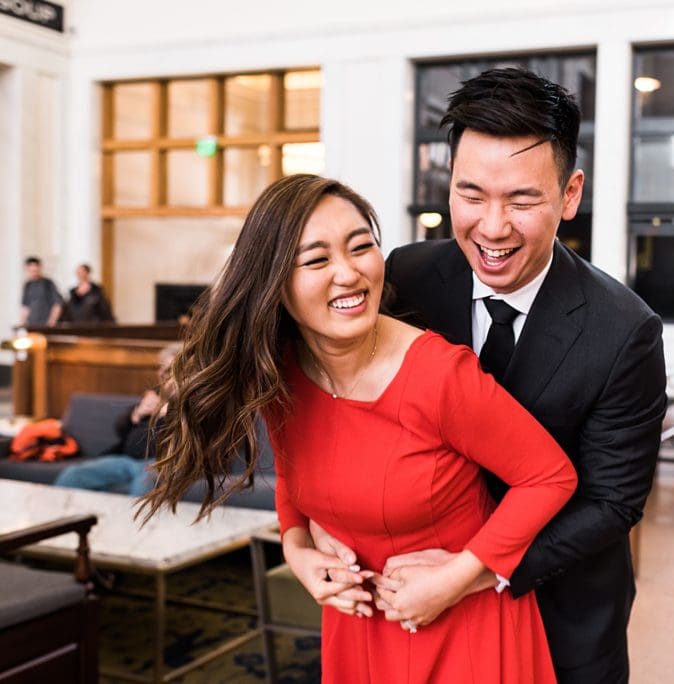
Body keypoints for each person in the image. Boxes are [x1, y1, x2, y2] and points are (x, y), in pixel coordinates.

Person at [136, 174, 577, 684]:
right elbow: (295, 489)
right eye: (317, 259)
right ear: (274, 284)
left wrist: (459, 578)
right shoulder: (281, 372)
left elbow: (548, 477)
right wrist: (297, 550)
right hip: (359, 630)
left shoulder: (439, 375)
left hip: (462, 628)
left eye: (361, 247)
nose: (348, 273)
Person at [312, 67, 667, 683]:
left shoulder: (623, 330)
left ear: (571, 193)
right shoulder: (407, 277)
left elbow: (611, 502)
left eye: (523, 199)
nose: (493, 227)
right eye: (471, 195)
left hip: (557, 608)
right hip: (412, 608)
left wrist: (469, 572)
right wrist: (308, 533)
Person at [54, 345, 177, 496]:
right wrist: (135, 414)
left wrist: (168, 412)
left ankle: (132, 520)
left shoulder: (192, 400)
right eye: (162, 369)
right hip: (126, 460)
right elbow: (119, 428)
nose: (163, 375)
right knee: (72, 476)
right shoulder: (156, 394)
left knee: (144, 483)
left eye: (170, 370)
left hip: (161, 462)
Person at [20, 256, 63, 327]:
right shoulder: (28, 285)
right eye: (31, 270)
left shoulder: (48, 283)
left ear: (40, 267)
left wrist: (52, 321)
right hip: (31, 324)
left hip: (46, 324)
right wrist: (23, 321)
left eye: (35, 269)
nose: (33, 272)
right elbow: (25, 306)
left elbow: (57, 304)